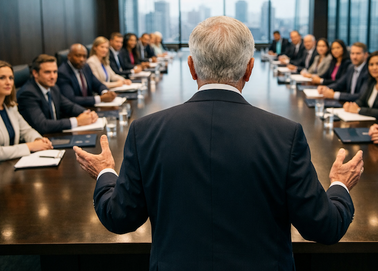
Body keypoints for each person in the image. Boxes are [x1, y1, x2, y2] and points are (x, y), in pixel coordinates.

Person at [74, 16, 363, 270]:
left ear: (191, 67)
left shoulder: (145, 131)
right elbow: (324, 227)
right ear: (249, 69)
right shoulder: (285, 134)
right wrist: (339, 185)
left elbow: (120, 218)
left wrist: (105, 174)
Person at [17, 55, 98, 135]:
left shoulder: (53, 88)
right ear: (35, 73)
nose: (53, 76)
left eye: (55, 72)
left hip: (56, 134)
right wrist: (77, 121)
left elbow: (69, 106)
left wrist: (87, 113)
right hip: (42, 140)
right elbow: (42, 125)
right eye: (47, 72)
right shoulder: (27, 94)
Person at [0, 61, 53, 161]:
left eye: (11, 78)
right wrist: (29, 146)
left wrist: (38, 140)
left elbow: (26, 130)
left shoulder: (10, 107)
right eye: (2, 78)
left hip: (12, 164)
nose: (8, 82)